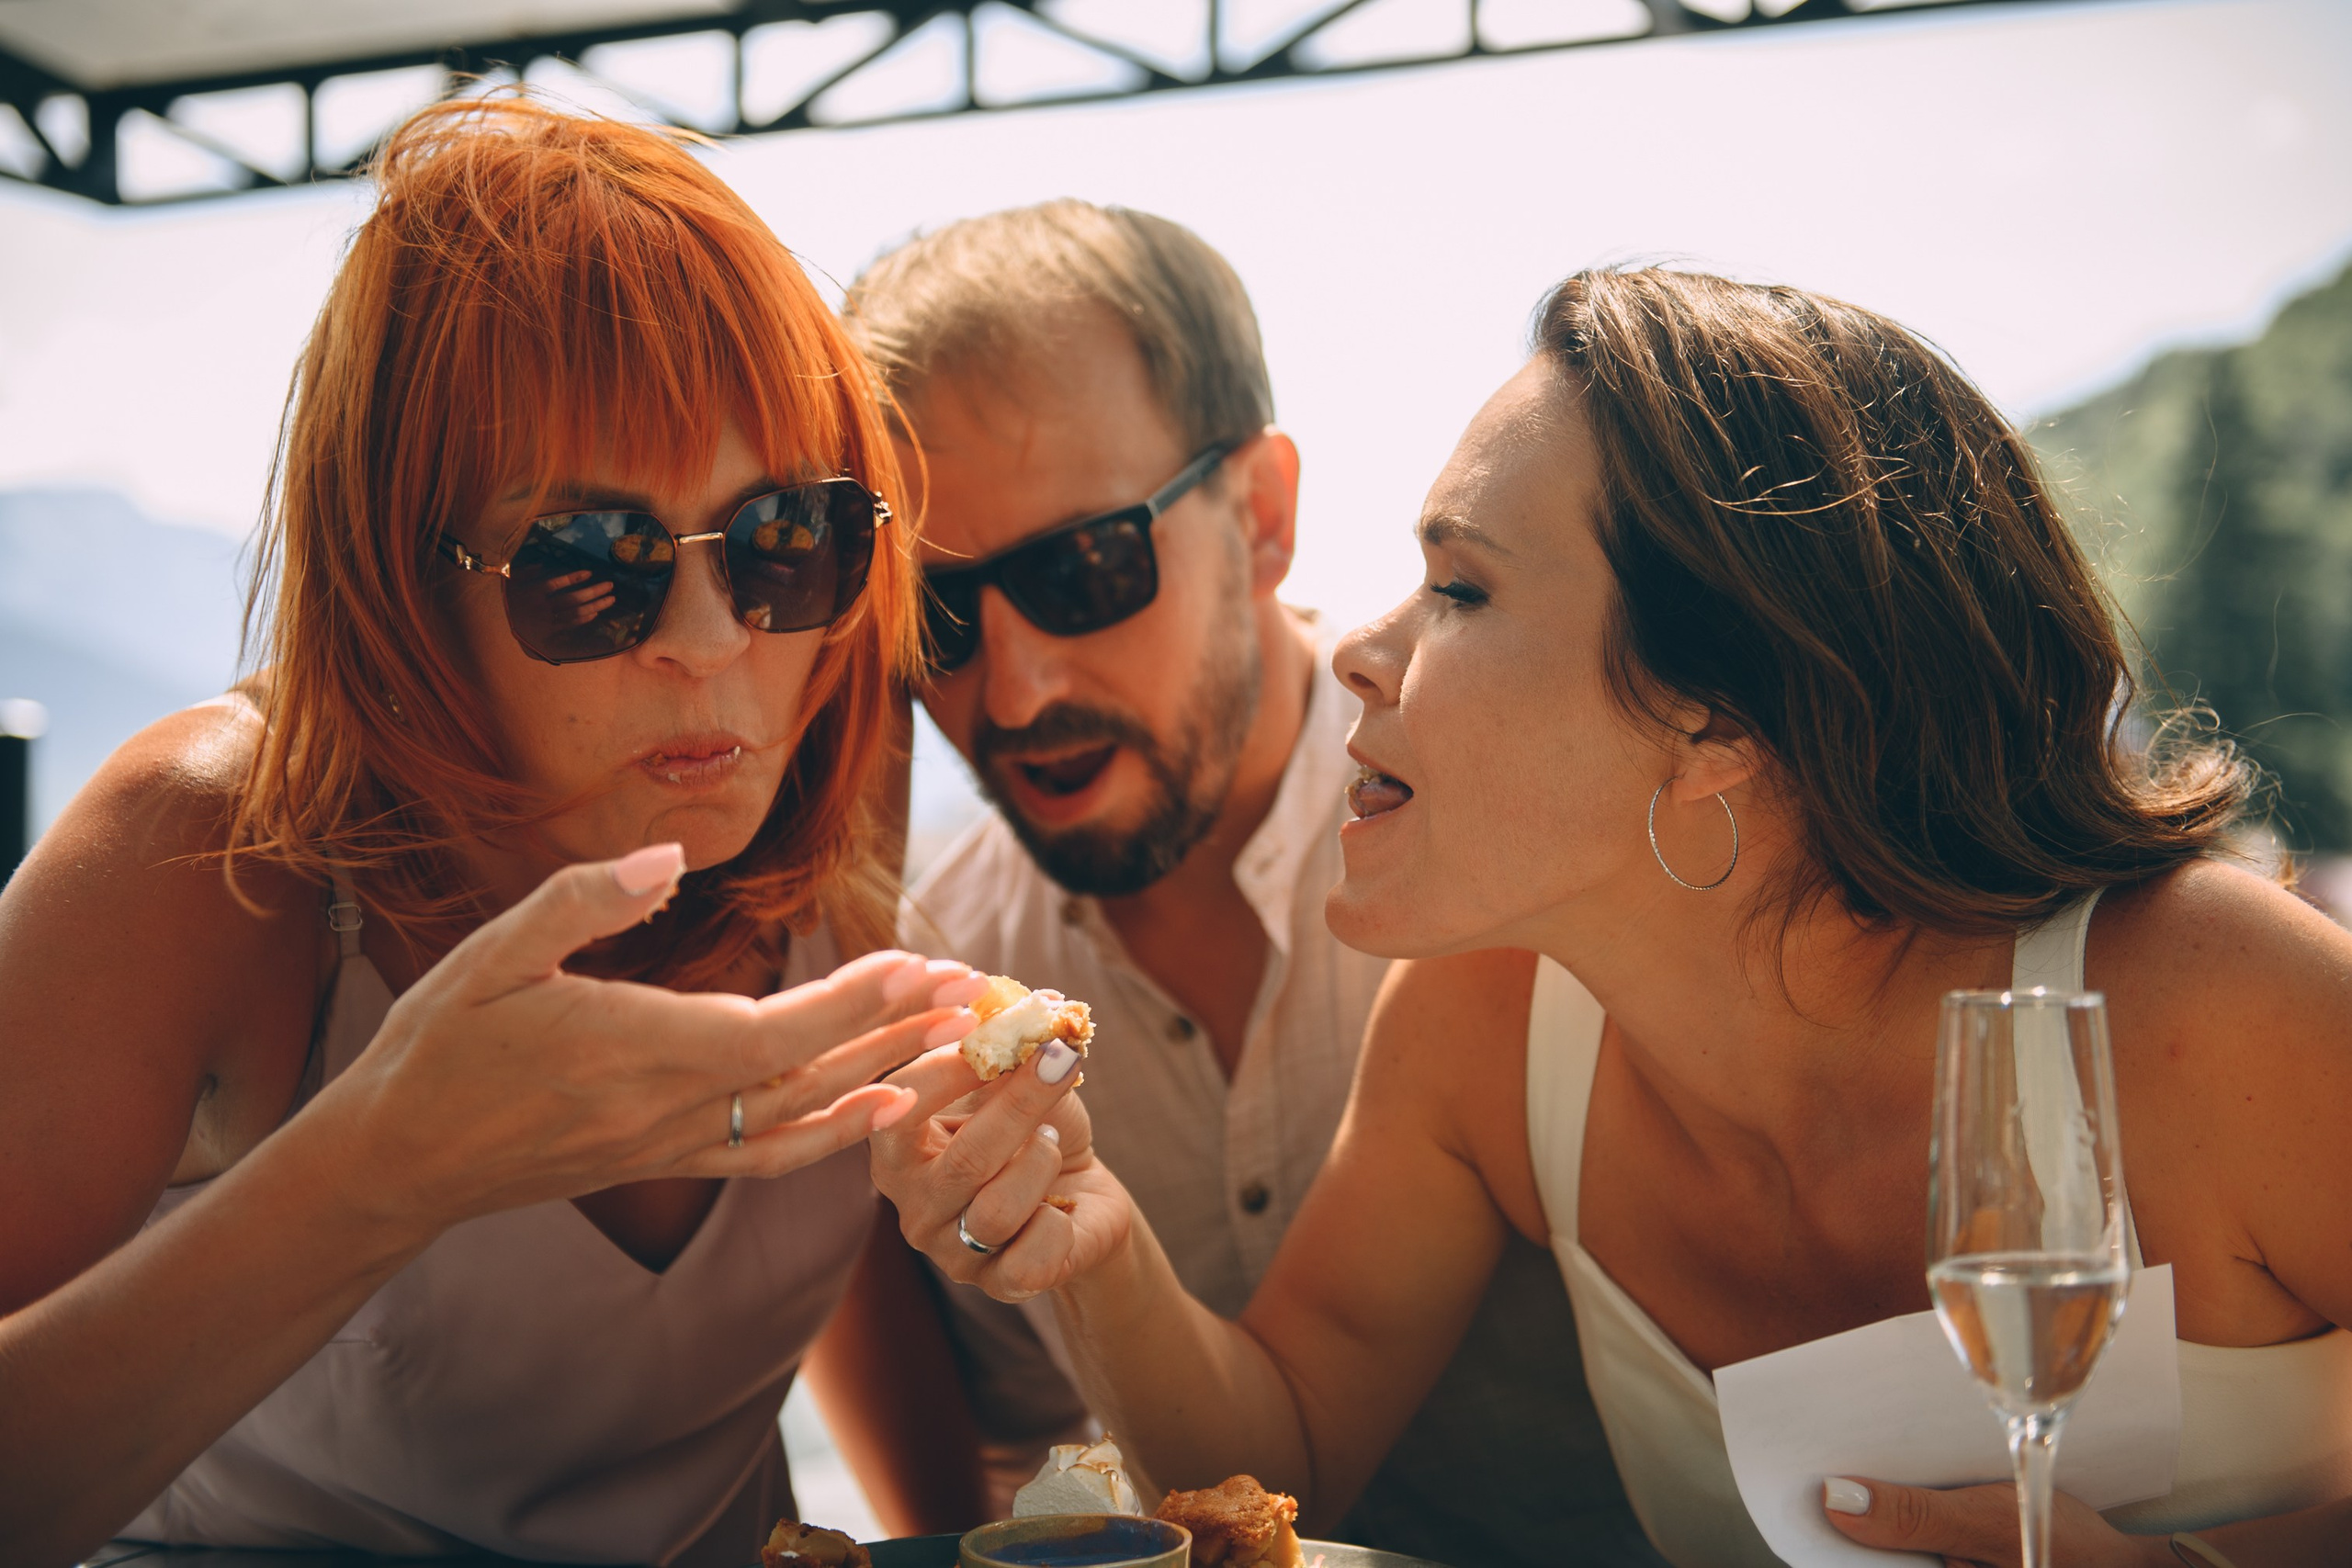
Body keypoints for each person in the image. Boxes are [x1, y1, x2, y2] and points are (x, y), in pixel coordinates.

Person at [869, 266, 2352, 1566]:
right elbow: (1292, 1456)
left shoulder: (2208, 1002)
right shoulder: (1480, 1027)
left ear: (1717, 720)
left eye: (1458, 588)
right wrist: (1097, 1242)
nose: (1364, 653)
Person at [0, 97, 992, 1565]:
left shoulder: (812, 795)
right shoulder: (211, 850)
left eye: (790, 536)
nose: (717, 641)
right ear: (406, 589)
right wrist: (380, 1167)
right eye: (594, 569)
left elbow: (839, 1251)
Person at [842, 201, 1648, 1563]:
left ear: (1262, 515)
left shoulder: (1534, 844)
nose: (1018, 685)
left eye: (1084, 568)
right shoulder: (925, 984)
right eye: (937, 614)